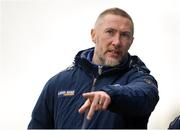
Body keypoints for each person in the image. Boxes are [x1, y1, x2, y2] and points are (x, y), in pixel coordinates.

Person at [28, 7, 159, 129]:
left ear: (131, 41)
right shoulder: (58, 83)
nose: (117, 42)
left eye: (124, 35)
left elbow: (145, 96)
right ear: (93, 35)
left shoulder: (140, 79)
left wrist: (111, 94)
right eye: (110, 32)